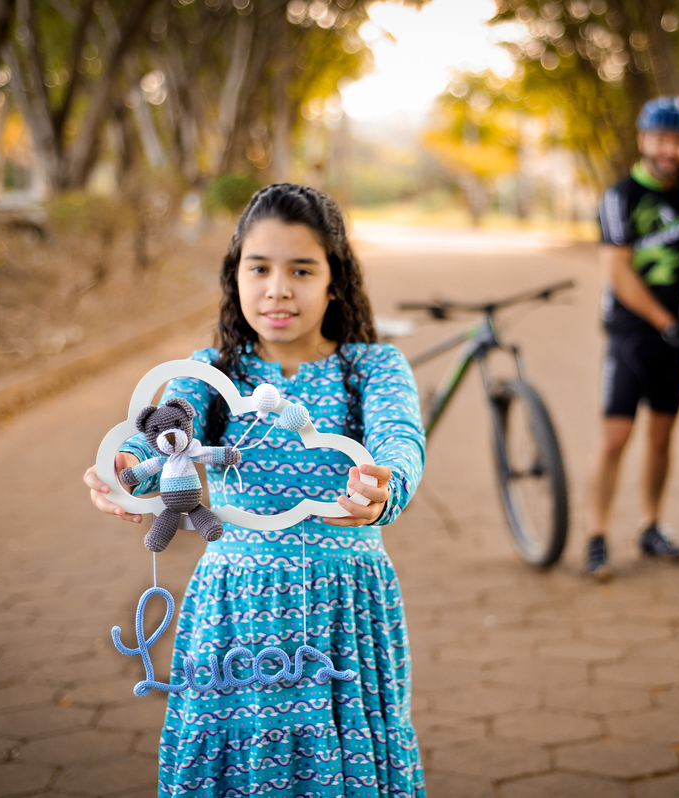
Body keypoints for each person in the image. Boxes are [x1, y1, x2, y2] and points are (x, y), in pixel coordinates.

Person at [82, 184, 427, 796]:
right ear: (235, 276)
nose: (278, 289)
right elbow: (163, 429)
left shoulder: (373, 368)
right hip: (235, 610)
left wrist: (387, 486)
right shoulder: (211, 373)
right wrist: (121, 467)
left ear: (335, 281)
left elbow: (399, 439)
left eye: (302, 270)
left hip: (343, 609)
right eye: (259, 268)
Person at [585, 96, 679, 581]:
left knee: (661, 435)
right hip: (632, 335)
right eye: (660, 139)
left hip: (678, 339)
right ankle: (596, 535)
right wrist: (665, 322)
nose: (668, 150)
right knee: (616, 437)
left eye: (678, 140)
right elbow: (618, 273)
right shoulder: (621, 196)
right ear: (643, 139)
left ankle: (651, 526)